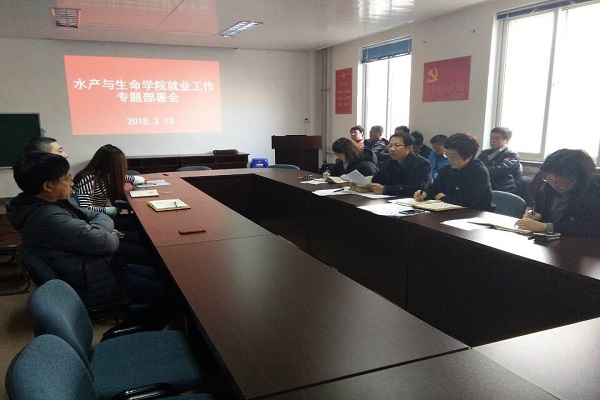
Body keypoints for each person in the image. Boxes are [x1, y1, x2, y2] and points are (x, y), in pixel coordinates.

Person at [7, 152, 177, 329]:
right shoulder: (50, 218)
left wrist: (98, 230)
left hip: (100, 268)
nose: (72, 183)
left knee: (166, 276)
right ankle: (138, 331)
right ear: (48, 186)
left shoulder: (52, 202)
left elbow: (96, 215)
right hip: (97, 283)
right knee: (175, 293)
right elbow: (108, 243)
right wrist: (105, 232)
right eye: (67, 178)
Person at [515, 149, 600, 237]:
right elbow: (540, 211)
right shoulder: (548, 187)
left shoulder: (593, 192)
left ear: (579, 178)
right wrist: (536, 216)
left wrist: (546, 227)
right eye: (550, 179)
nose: (555, 185)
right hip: (549, 240)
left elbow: (590, 227)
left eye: (562, 181)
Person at [414, 133, 493, 211]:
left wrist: (444, 198)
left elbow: (468, 201)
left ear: (469, 155)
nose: (449, 159)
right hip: (450, 211)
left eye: (453, 156)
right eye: (447, 155)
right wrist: (425, 193)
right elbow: (435, 188)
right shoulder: (447, 169)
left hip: (476, 213)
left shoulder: (479, 172)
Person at [73, 144, 144, 220]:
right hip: (94, 218)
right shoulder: (88, 179)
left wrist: (136, 179)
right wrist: (110, 210)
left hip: (102, 212)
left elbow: (120, 178)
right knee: (138, 220)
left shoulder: (105, 175)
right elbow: (84, 208)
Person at [370, 131, 431, 195]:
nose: (392, 149)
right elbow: (377, 180)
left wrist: (386, 189)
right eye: (390, 145)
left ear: (409, 148)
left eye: (397, 145)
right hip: (389, 198)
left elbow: (418, 188)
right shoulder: (390, 162)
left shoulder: (423, 164)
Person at [477, 126, 522, 194]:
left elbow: (500, 170)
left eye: (496, 138)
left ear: (506, 140)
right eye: (491, 137)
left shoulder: (512, 155)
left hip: (505, 189)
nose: (492, 140)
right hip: (486, 186)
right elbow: (476, 166)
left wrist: (482, 169)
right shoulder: (485, 153)